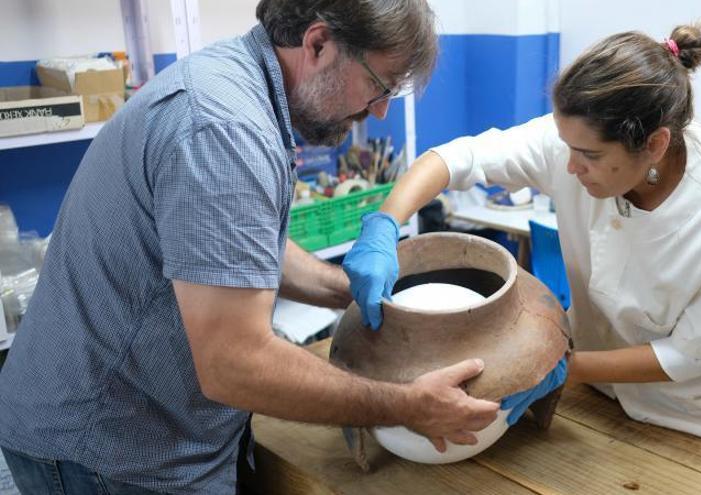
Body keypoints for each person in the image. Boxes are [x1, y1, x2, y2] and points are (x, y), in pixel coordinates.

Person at [0, 1, 502, 493]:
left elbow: (229, 248)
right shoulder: (225, 129)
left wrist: (344, 289)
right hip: (109, 451)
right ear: (319, 43)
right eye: (378, 84)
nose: (380, 109)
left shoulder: (235, 79)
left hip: (129, 420)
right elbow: (234, 364)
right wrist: (408, 406)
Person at [344, 23, 701, 444]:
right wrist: (386, 222)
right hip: (603, 386)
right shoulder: (581, 138)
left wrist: (552, 366)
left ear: (655, 145)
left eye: (589, 155)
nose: (569, 166)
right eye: (565, 145)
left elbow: (689, 356)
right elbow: (460, 159)